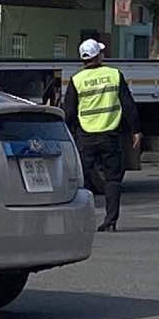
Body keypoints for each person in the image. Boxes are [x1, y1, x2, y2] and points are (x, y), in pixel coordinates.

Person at [62, 39, 141, 232]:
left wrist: (67, 136)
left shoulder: (77, 80)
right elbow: (128, 105)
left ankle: (78, 222)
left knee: (80, 181)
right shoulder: (114, 75)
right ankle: (110, 220)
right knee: (113, 180)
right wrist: (136, 130)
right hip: (110, 135)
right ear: (98, 55)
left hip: (85, 137)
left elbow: (69, 112)